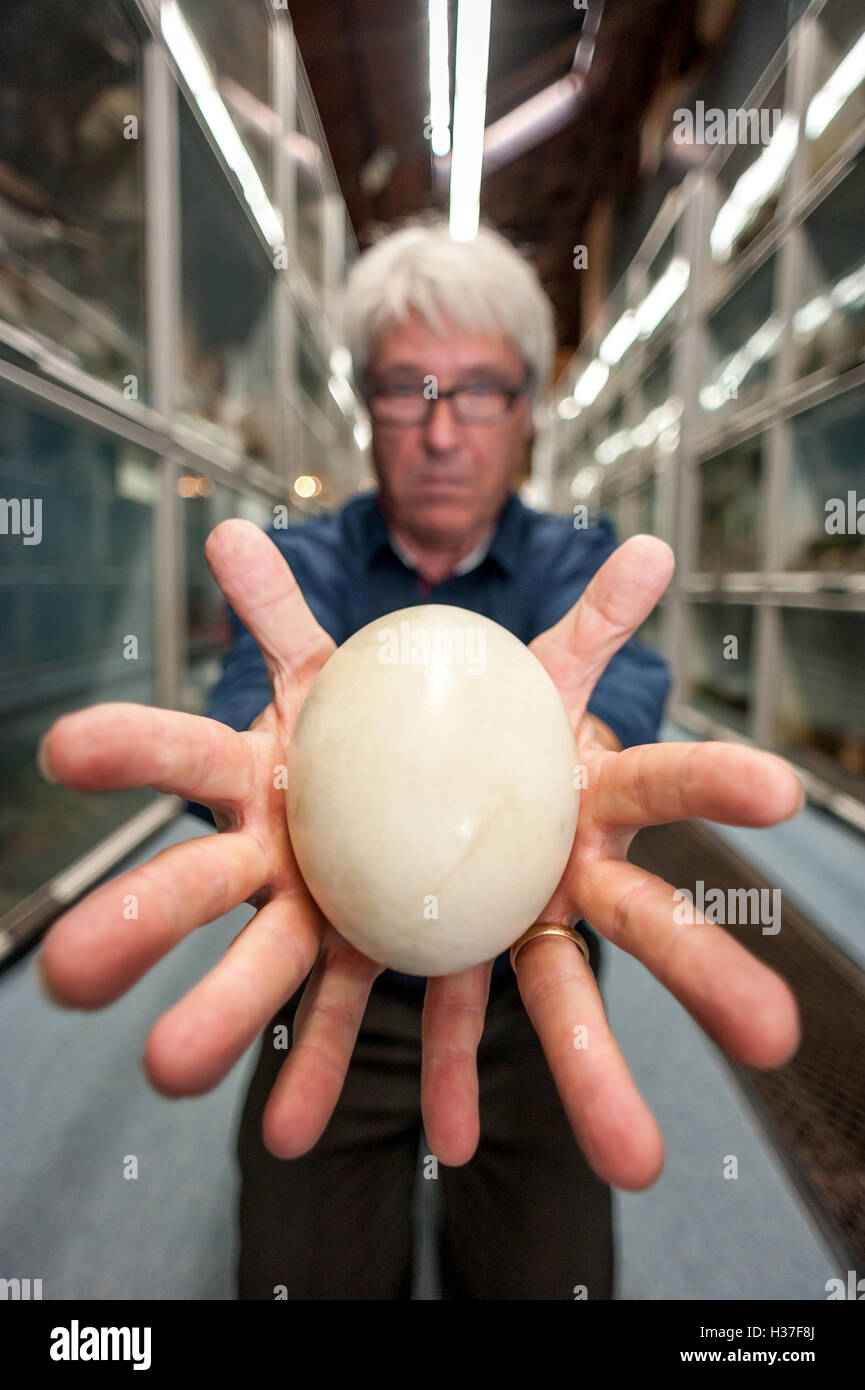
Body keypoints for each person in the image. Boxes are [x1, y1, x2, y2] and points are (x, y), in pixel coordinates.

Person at [35, 218, 803, 1301]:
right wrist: (257, 795)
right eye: (407, 388)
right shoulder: (301, 567)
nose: (442, 432)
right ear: (365, 405)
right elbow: (250, 725)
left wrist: (588, 750)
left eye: (481, 389)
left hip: (533, 979)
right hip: (336, 970)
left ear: (528, 410)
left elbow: (618, 689)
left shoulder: (575, 564)